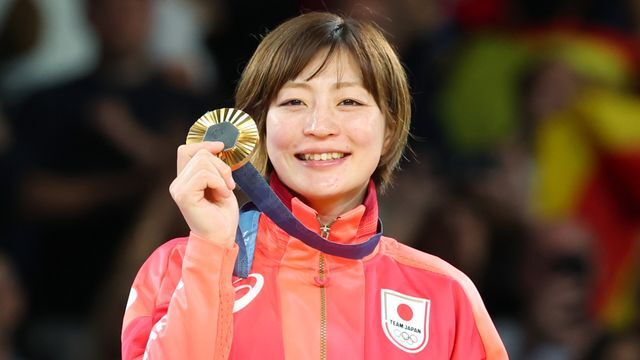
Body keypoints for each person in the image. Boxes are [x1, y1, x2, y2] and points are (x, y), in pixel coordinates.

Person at [121, 12, 507, 359]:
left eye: (349, 102)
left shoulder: (445, 293)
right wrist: (209, 252)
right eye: (293, 102)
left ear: (389, 131)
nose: (319, 126)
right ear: (259, 128)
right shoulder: (176, 268)